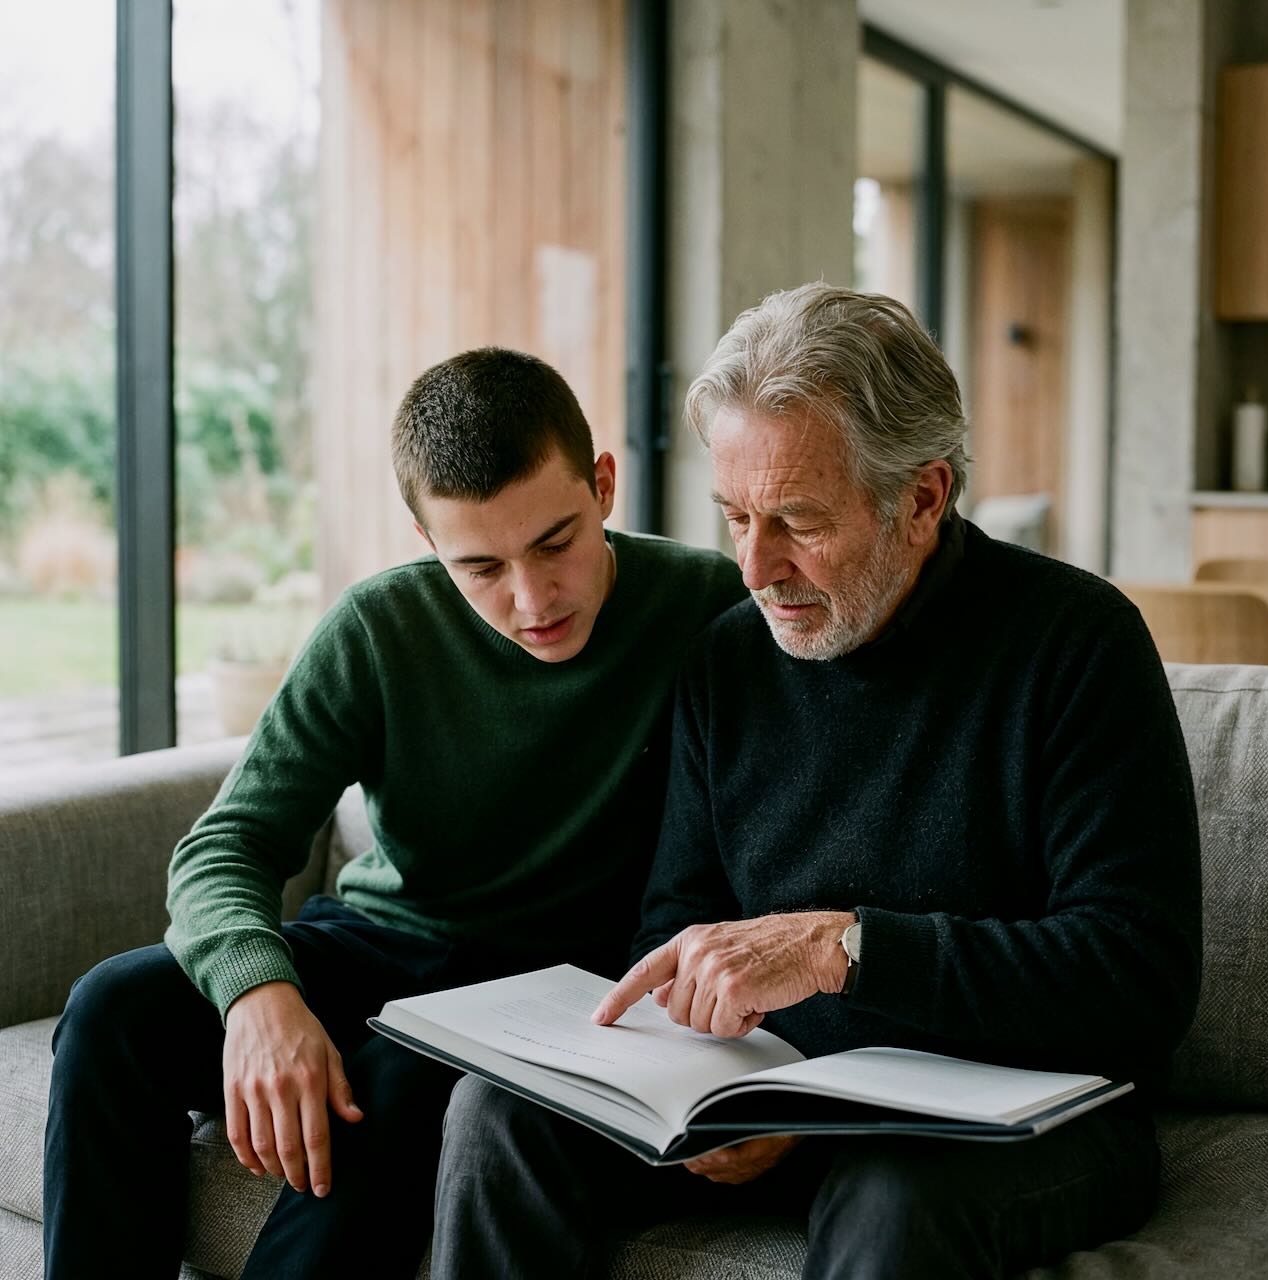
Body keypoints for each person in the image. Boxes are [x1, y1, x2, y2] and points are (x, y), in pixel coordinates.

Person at [432, 286, 1203, 1280]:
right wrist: (733, 1091)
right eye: (734, 517)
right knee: (496, 1112)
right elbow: (675, 918)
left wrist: (847, 947)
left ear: (921, 499)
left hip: (1025, 1111)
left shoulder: (1075, 645)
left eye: (795, 521)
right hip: (780, 1097)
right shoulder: (726, 662)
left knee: (889, 1193)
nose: (755, 566)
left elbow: (1136, 975)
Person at [42, 347, 746, 1280]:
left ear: (604, 486)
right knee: (108, 1010)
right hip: (382, 944)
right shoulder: (379, 628)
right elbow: (228, 843)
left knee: (397, 1089)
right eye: (480, 566)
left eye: (555, 543)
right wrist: (260, 995)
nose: (531, 601)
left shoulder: (711, 608)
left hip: (561, 989)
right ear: (425, 542)